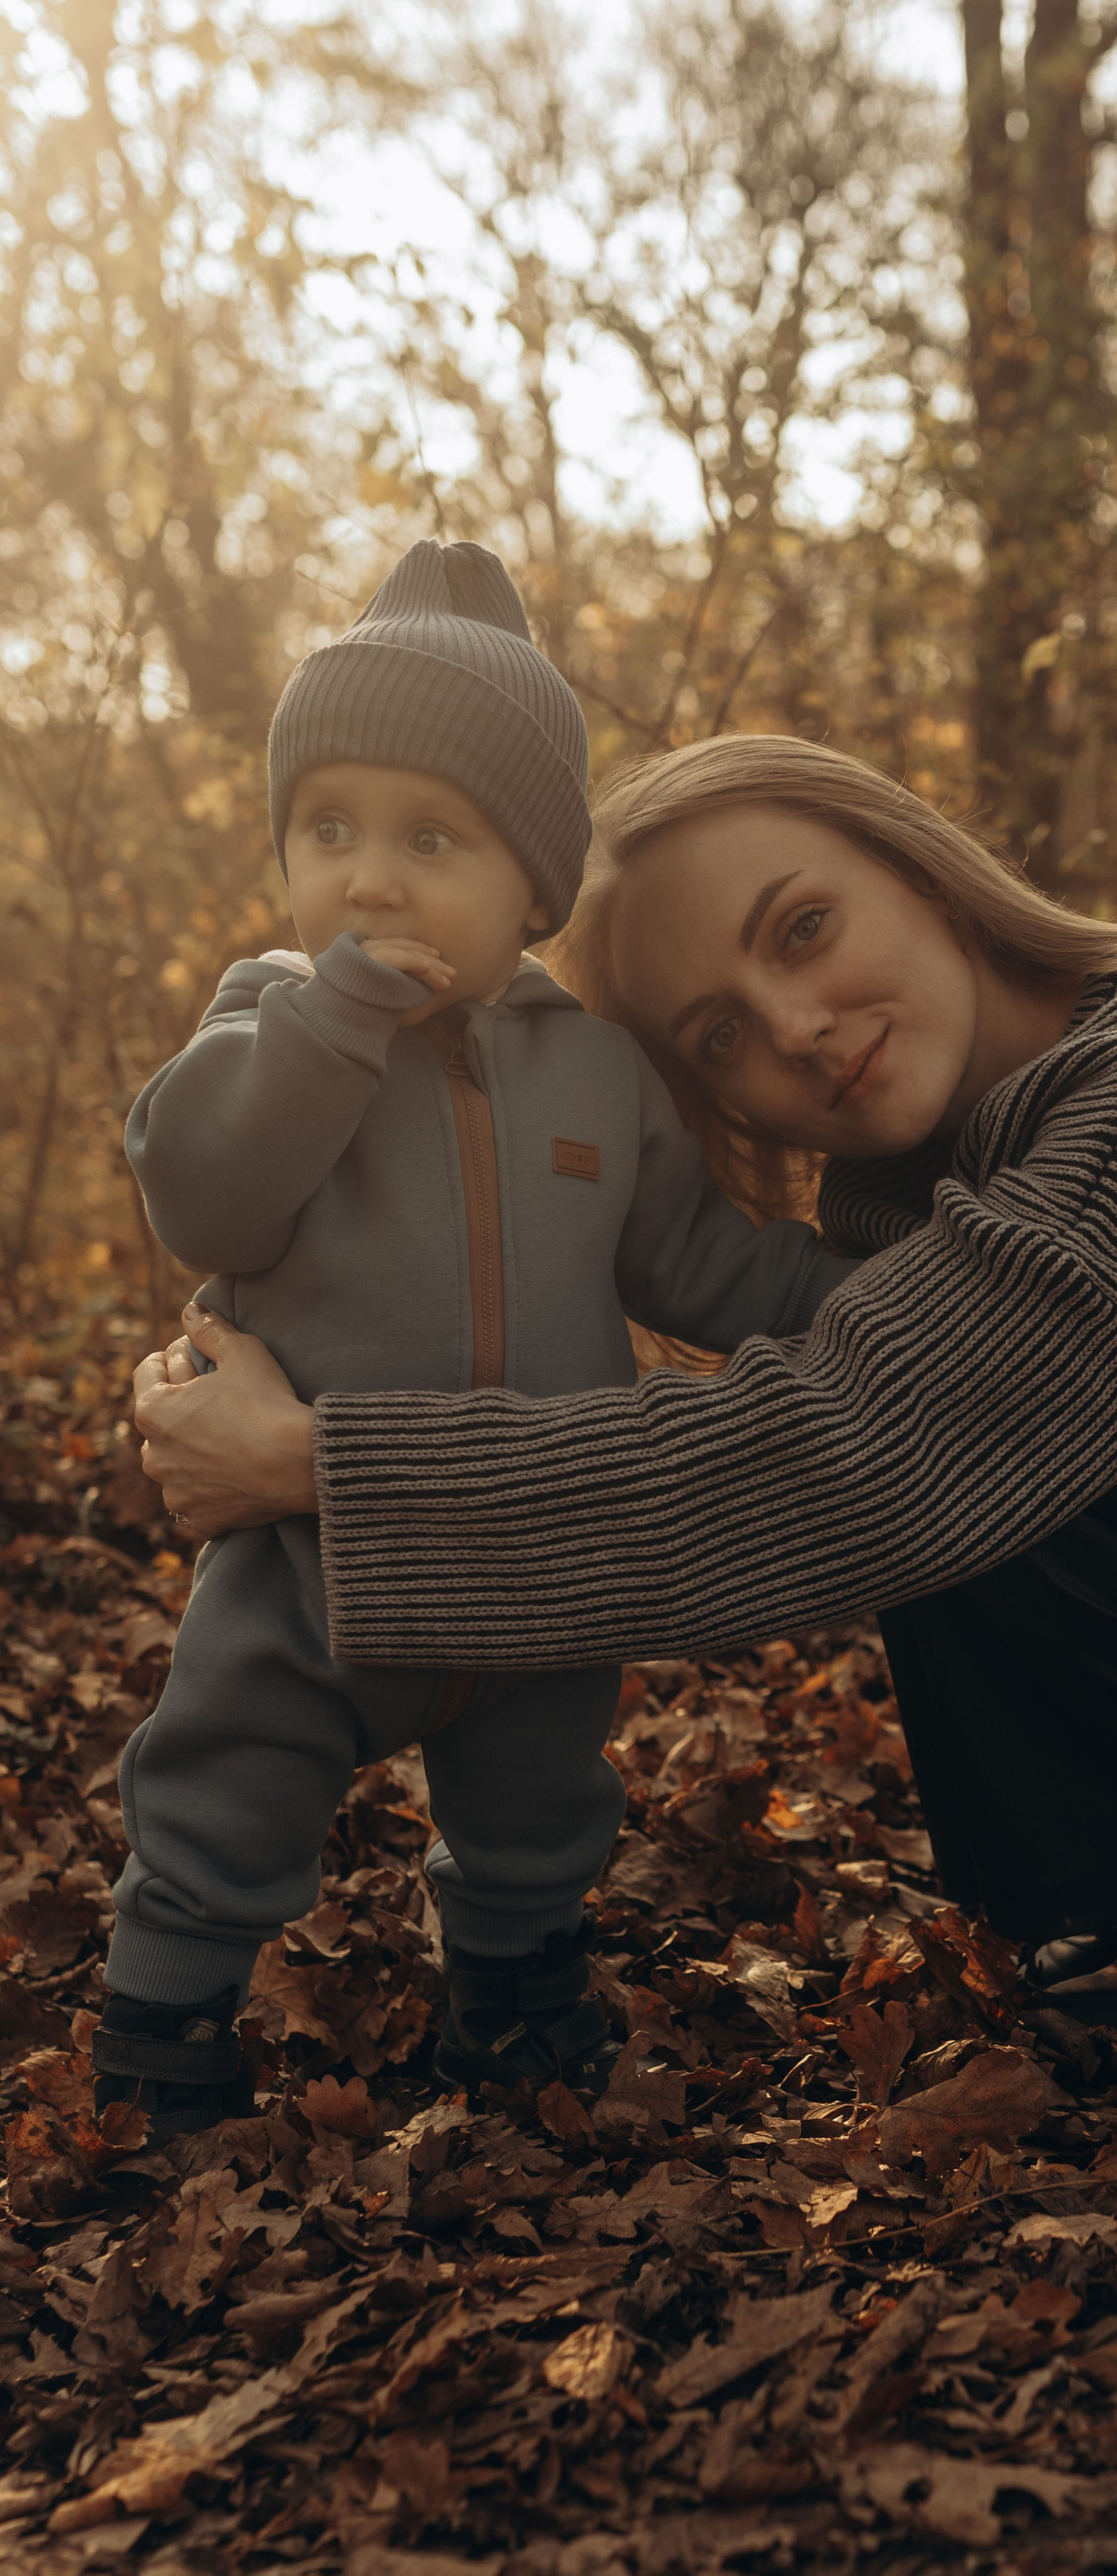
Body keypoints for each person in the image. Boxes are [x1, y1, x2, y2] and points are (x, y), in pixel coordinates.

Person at [134, 733, 1117, 2063]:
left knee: (936, 1425)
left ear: (921, 866)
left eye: (803, 929)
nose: (794, 1029)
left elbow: (835, 1455)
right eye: (717, 1035)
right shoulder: (914, 1196)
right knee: (931, 1391)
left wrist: (321, 1468)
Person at [96, 552, 854, 2139]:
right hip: (314, 1556)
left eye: (429, 838)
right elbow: (206, 1199)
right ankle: (161, 2023)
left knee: (539, 1798)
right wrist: (324, 1023)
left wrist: (857, 1292)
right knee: (229, 1776)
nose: (368, 878)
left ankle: (512, 1997)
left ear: (532, 890)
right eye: (330, 830)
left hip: (536, 1543)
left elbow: (695, 1261)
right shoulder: (266, 1023)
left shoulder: (592, 1075)